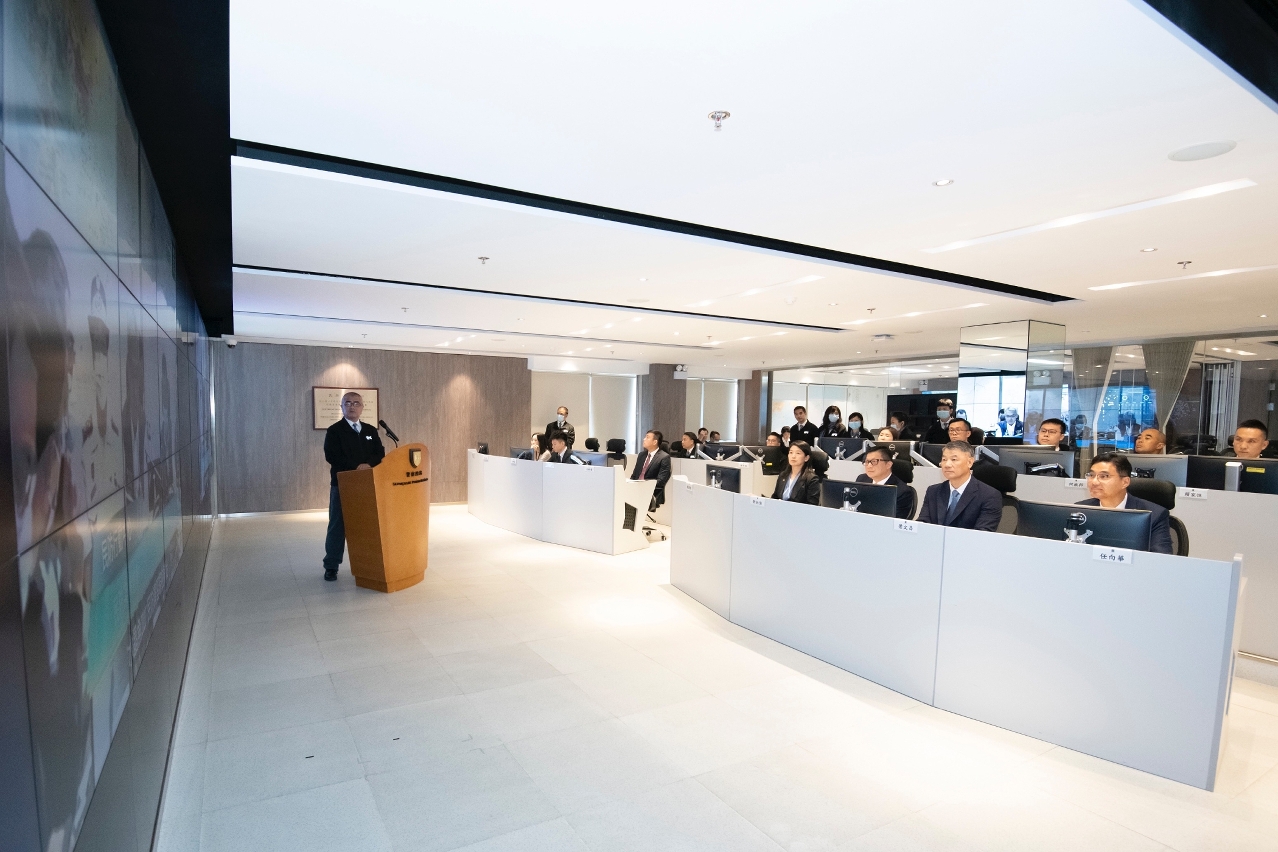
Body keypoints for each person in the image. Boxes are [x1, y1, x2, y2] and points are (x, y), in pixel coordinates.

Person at [323, 392, 386, 580]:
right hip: (343, 485)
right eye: (348, 403)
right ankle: (331, 565)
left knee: (367, 525)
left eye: (356, 403)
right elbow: (332, 456)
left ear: (362, 407)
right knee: (337, 526)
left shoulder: (370, 430)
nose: (352, 406)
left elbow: (379, 453)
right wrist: (357, 466)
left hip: (367, 485)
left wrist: (368, 465)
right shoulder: (334, 430)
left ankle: (367, 564)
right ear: (342, 407)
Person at [1076, 452, 1173, 554]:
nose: (1094, 482)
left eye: (1104, 476)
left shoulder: (1154, 515)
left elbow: (1161, 557)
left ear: (1125, 482)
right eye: (1091, 475)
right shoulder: (1079, 511)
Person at [918, 441, 1002, 531]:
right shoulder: (933, 491)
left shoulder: (989, 496)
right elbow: (923, 524)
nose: (947, 465)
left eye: (954, 459)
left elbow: (982, 533)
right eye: (944, 459)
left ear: (970, 462)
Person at [855, 446, 914, 519]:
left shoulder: (901, 492)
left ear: (888, 465)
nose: (869, 466)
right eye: (866, 462)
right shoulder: (862, 479)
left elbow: (894, 521)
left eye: (874, 461)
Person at [630, 430, 672, 509]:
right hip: (636, 489)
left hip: (651, 492)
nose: (644, 439)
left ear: (654, 442)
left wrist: (643, 485)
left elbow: (661, 481)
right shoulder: (641, 455)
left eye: (647, 437)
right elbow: (635, 475)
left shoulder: (664, 457)